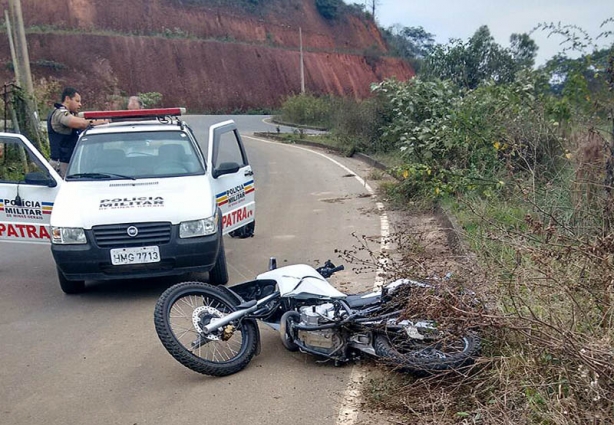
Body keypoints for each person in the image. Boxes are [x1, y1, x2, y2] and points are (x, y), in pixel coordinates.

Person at [47, 87, 107, 177]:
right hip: (60, 165)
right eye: (77, 101)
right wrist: (98, 122)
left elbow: (81, 116)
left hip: (70, 163)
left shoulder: (70, 113)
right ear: (67, 99)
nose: (80, 104)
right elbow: (78, 123)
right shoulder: (60, 113)